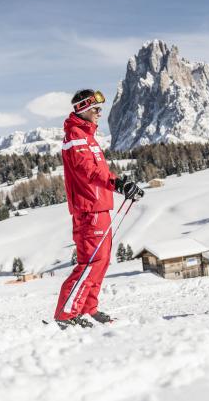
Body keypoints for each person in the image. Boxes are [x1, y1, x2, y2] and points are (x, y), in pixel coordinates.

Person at [54, 89, 144, 328]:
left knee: (101, 262)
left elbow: (100, 172)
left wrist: (122, 185)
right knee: (90, 263)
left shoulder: (88, 136)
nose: (99, 114)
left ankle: (87, 308)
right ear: (83, 109)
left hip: (99, 207)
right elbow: (88, 171)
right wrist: (116, 184)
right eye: (95, 109)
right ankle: (65, 314)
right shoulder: (76, 136)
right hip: (88, 210)